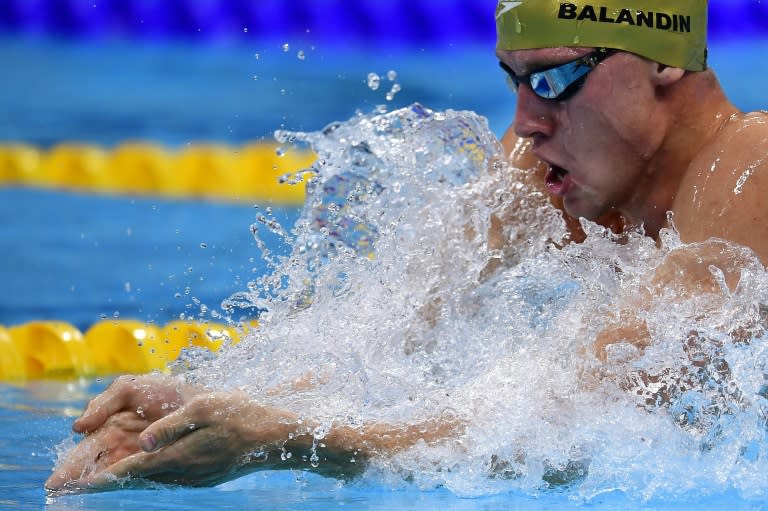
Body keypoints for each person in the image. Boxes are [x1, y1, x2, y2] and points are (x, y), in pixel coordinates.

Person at [46, 0, 768, 493]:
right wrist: (217, 404)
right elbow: (390, 342)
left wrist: (296, 439)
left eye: (553, 80)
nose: (525, 122)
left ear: (664, 62)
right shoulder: (552, 172)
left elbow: (576, 427)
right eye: (513, 81)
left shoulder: (752, 174)